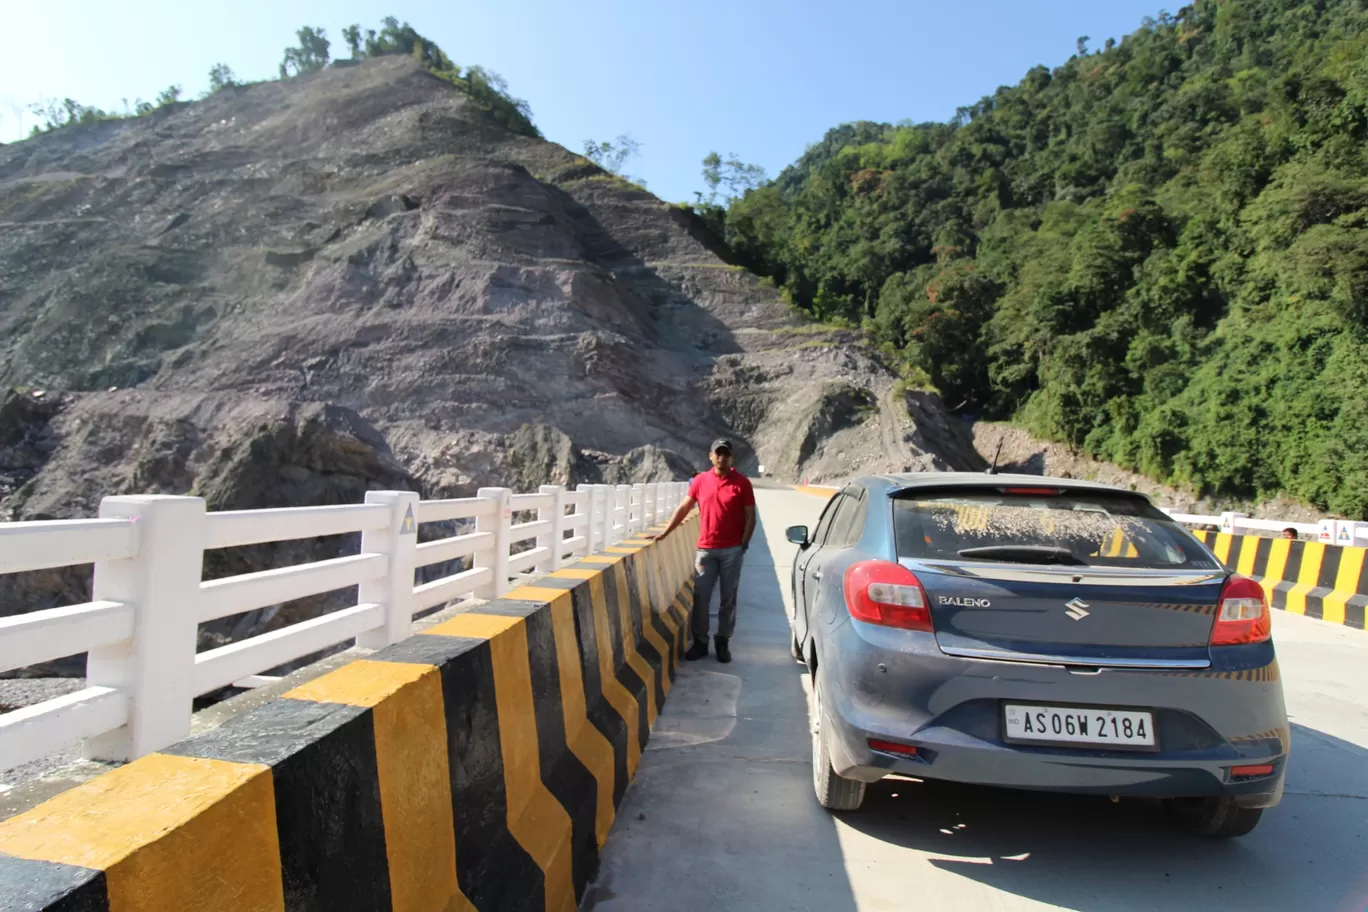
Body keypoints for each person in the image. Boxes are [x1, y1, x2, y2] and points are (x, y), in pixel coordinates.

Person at [647, 439, 756, 663]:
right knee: (701, 597)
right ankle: (700, 642)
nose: (721, 457)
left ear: (731, 458)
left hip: (731, 551)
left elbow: (750, 517)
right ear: (710, 456)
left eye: (726, 454)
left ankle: (723, 641)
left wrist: (742, 544)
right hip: (706, 549)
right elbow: (683, 508)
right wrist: (665, 533)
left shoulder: (742, 483)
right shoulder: (700, 481)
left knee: (728, 598)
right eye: (718, 453)